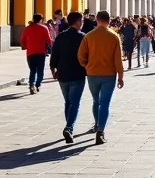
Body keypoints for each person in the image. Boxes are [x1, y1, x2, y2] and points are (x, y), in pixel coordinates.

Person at [78, 10, 125, 145]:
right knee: (104, 103)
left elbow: (81, 55)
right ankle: (101, 131)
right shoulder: (114, 36)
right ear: (109, 21)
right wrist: (120, 76)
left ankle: (97, 124)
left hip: (92, 73)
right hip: (109, 74)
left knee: (95, 100)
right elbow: (118, 59)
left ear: (96, 20)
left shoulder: (88, 36)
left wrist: (86, 65)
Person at [49, 11, 87, 144]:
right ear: (76, 21)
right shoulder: (83, 37)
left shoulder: (60, 37)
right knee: (75, 102)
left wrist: (53, 68)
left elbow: (54, 54)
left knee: (68, 102)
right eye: (81, 21)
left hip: (63, 74)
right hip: (78, 74)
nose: (82, 23)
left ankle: (69, 126)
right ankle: (69, 127)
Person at [21, 13, 52, 94]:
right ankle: (37, 84)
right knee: (40, 70)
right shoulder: (44, 28)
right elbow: (49, 40)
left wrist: (25, 46)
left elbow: (22, 40)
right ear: (41, 20)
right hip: (41, 52)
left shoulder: (27, 28)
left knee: (32, 70)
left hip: (30, 53)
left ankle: (31, 84)